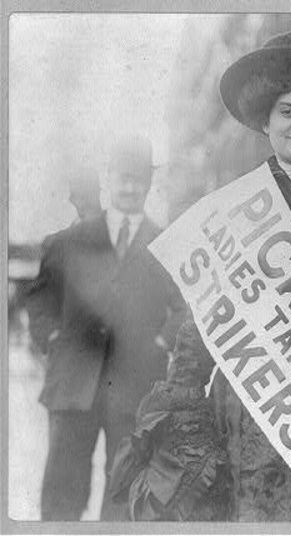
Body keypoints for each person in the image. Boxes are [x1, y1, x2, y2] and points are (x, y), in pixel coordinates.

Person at [110, 32, 291, 522]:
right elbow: (199, 323)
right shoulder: (232, 210)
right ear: (266, 121)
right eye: (287, 111)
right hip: (253, 417)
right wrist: (184, 405)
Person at [26, 135, 184, 521]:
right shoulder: (68, 241)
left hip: (136, 388)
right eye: (122, 178)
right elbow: (40, 300)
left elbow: (185, 307)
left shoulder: (168, 244)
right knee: (61, 494)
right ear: (108, 178)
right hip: (73, 385)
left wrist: (162, 341)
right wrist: (51, 339)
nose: (130, 187)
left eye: (138, 179)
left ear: (150, 183)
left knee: (125, 495)